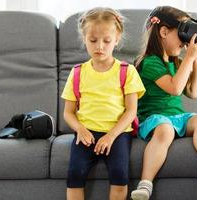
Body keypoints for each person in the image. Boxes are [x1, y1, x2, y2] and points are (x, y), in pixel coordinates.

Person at [131, 6, 197, 200]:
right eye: (181, 35)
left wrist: (196, 59)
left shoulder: (177, 62)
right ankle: (145, 184)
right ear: (163, 32)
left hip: (177, 118)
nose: (184, 43)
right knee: (165, 129)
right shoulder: (149, 62)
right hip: (154, 119)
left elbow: (193, 92)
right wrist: (189, 56)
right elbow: (174, 88)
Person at [61, 7, 145, 200]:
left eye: (106, 41)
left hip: (117, 134)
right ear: (84, 39)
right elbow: (68, 113)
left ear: (116, 39)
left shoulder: (127, 71)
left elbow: (131, 110)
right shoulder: (77, 72)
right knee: (75, 174)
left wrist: (110, 136)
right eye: (93, 40)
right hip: (86, 133)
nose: (100, 46)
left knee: (119, 175)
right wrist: (80, 130)